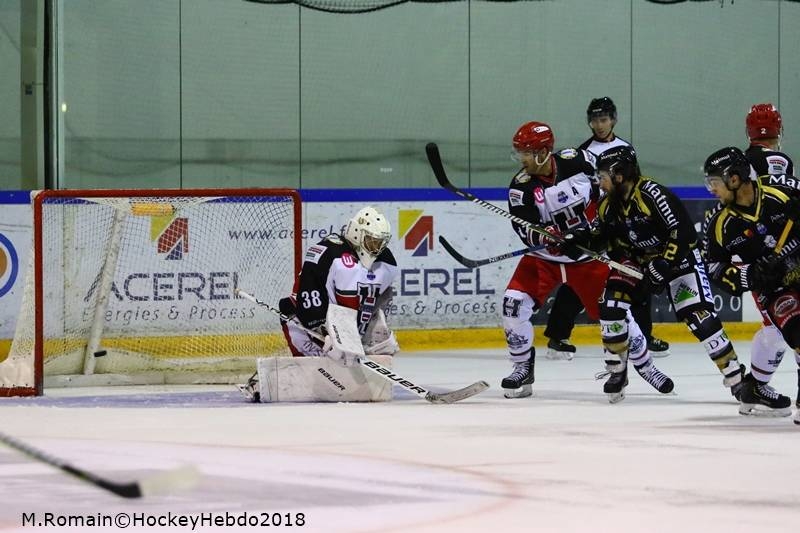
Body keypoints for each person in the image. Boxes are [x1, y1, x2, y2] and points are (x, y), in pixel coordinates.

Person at [499, 121, 672, 400]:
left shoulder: (579, 162)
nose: (522, 159)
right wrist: (547, 236)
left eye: (526, 153)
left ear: (543, 152)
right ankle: (522, 368)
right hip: (544, 260)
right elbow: (524, 229)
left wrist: (596, 231)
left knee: (615, 311)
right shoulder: (521, 187)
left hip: (587, 257)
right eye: (520, 153)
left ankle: (645, 365)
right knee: (513, 304)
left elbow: (610, 192)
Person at [560, 146, 743, 403]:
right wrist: (577, 240)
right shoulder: (607, 205)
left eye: (603, 176)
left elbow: (683, 232)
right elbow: (599, 236)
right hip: (636, 262)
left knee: (700, 318)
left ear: (619, 175)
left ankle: (737, 379)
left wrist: (664, 263)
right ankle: (617, 372)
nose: (600, 183)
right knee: (610, 306)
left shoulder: (652, 195)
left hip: (679, 261)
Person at [544, 97, 670, 360]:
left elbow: (636, 184)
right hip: (597, 220)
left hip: (622, 219)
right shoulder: (583, 151)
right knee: (582, 272)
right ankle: (557, 335)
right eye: (594, 120)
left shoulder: (625, 148)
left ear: (613, 120)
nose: (599, 125)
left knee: (635, 272)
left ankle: (643, 337)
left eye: (603, 119)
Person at [240, 206, 400, 402]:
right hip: (308, 325)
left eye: (380, 243)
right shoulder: (330, 254)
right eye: (372, 241)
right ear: (357, 233)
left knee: (377, 351)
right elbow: (308, 303)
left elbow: (377, 300)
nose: (377, 248)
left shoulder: (386, 263)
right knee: (321, 371)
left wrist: (374, 332)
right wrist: (325, 333)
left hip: (346, 332)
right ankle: (268, 381)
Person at [702, 147, 794, 417]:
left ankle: (754, 387)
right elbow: (715, 268)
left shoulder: (779, 194)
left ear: (734, 179)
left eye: (715, 182)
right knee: (787, 331)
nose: (711, 189)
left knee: (775, 334)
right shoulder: (719, 223)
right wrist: (750, 275)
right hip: (773, 287)